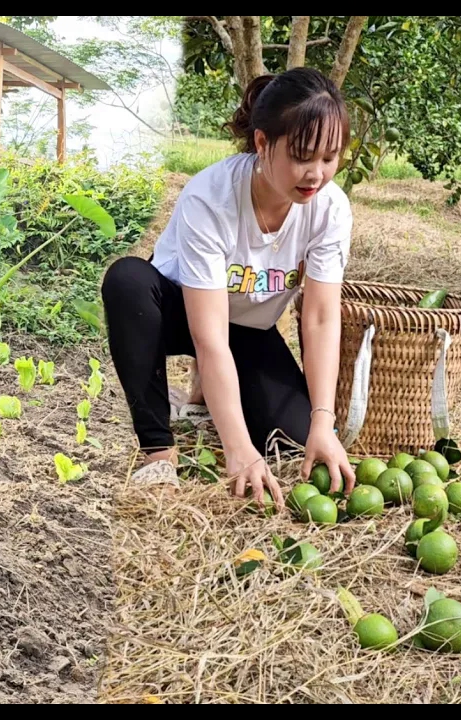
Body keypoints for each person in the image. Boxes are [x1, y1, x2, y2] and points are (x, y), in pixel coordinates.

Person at [100, 67, 357, 505]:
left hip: (248, 329)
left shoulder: (330, 210)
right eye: (302, 156)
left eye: (329, 159)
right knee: (127, 281)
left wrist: (322, 422)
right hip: (176, 312)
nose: (315, 174)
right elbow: (209, 336)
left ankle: (201, 400)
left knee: (290, 441)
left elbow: (318, 318)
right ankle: (157, 448)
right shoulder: (211, 197)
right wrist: (237, 449)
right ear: (262, 143)